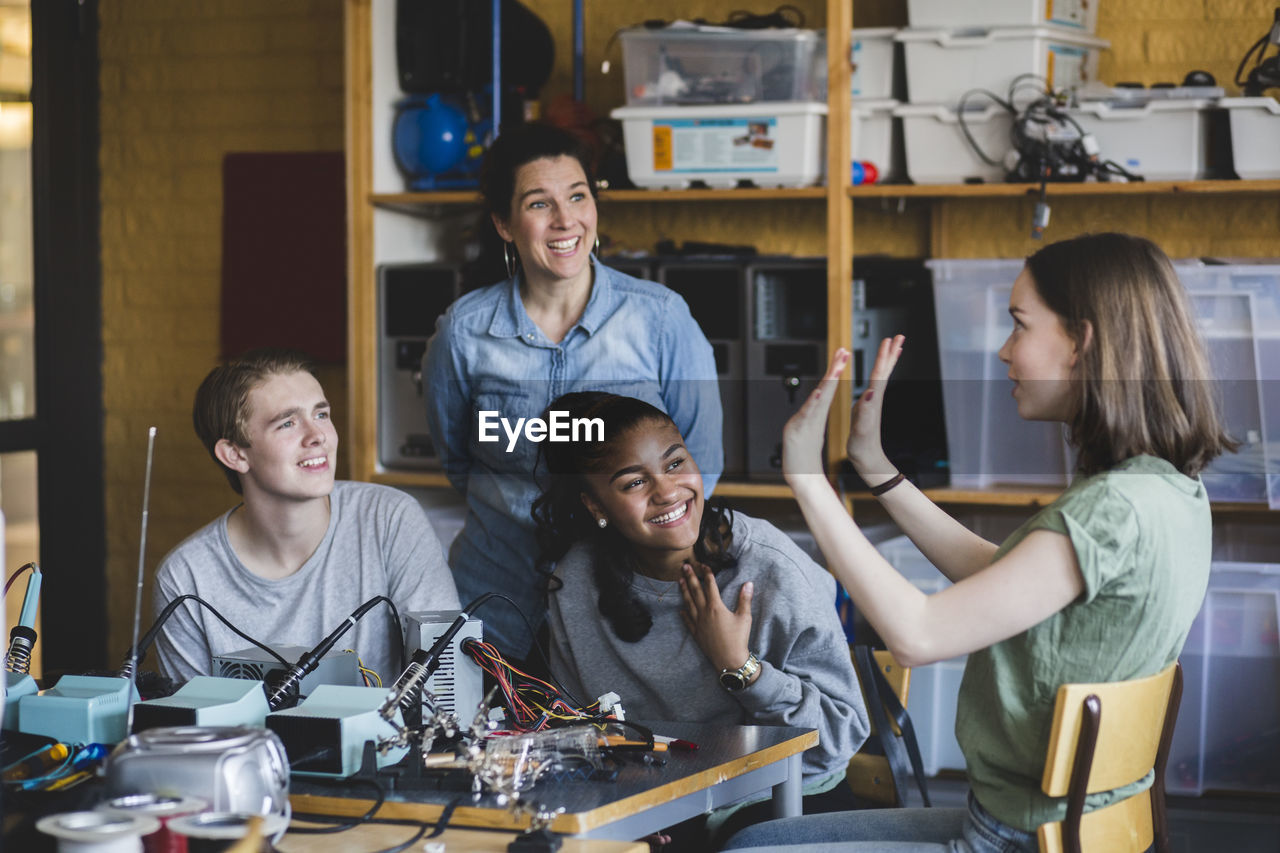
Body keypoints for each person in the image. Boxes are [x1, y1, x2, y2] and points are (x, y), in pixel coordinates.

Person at [723, 233, 1236, 852]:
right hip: (1063, 827)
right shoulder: (1164, 489)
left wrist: (808, 483)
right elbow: (1000, 579)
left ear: (1083, 340)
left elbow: (917, 635)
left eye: (1020, 326)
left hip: (1013, 840)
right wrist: (876, 468)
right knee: (761, 837)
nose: (1003, 349)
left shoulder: (1113, 509)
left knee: (748, 848)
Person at [423, 122, 723, 663]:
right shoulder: (464, 331)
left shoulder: (660, 318)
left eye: (578, 196)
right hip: (495, 598)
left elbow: (703, 464)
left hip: (625, 603)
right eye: (539, 204)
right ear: (504, 224)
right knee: (487, 745)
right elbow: (458, 460)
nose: (566, 220)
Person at [535, 391, 869, 850]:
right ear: (596, 507)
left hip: (782, 799)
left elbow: (839, 738)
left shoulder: (770, 568)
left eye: (675, 464)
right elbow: (576, 732)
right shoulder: (573, 583)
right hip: (651, 804)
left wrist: (741, 668)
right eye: (634, 482)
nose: (668, 491)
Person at [153, 348, 460, 684]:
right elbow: (196, 727)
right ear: (236, 454)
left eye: (321, 415)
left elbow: (445, 686)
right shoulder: (186, 578)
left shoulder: (390, 520)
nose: (318, 437)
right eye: (287, 423)